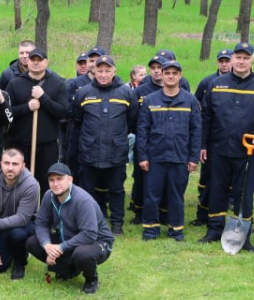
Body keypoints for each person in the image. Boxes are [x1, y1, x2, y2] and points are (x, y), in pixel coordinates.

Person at [199, 42, 254, 250]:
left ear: (252, 59)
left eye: (246, 57)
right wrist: (203, 145)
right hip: (219, 149)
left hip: (249, 152)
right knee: (216, 189)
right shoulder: (217, 83)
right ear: (232, 59)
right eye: (238, 57)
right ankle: (215, 229)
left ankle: (244, 234)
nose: (241, 61)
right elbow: (206, 117)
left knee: (243, 193)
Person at [68, 54, 136, 235]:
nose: (103, 74)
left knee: (116, 190)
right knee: (87, 191)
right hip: (89, 152)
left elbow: (132, 120)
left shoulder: (126, 93)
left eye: (107, 71)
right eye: (100, 71)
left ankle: (117, 224)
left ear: (115, 71)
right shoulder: (83, 93)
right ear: (94, 71)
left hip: (116, 152)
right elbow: (77, 119)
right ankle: (88, 223)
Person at [137, 59, 201, 242]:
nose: (171, 76)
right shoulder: (150, 100)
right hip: (155, 157)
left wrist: (193, 158)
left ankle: (176, 229)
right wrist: (142, 156)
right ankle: (150, 229)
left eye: (174, 73)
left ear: (180, 76)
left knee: (176, 195)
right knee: (152, 195)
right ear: (162, 75)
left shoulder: (190, 100)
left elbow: (196, 131)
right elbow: (142, 130)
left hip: (180, 157)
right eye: (167, 73)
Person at [27, 163, 114, 294]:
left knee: (82, 254)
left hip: (97, 241)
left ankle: (91, 278)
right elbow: (41, 224)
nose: (55, 184)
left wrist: (60, 248)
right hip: (68, 237)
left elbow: (89, 234)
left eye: (59, 179)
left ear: (70, 179)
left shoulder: (83, 200)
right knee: (32, 242)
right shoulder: (48, 196)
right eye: (52, 180)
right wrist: (47, 246)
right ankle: (67, 270)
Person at [6, 47, 68, 190]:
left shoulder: (58, 83)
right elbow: (7, 113)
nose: (35, 63)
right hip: (20, 143)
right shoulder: (15, 84)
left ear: (46, 62)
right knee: (19, 183)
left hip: (47, 145)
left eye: (39, 60)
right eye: (32, 60)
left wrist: (43, 98)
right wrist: (27, 107)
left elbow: (63, 112)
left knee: (48, 183)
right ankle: (21, 212)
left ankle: (45, 211)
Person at [0, 148, 40, 279]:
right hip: (3, 225)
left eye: (15, 164)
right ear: (1, 164)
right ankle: (11, 250)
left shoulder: (31, 185)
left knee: (17, 234)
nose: (10, 168)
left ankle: (20, 263)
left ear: (23, 166)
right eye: (7, 163)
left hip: (27, 224)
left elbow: (22, 218)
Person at [191, 48, 235, 226]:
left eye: (227, 61)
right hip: (211, 137)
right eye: (221, 61)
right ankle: (202, 214)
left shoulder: (239, 83)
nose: (224, 64)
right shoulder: (208, 82)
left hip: (232, 139)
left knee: (231, 179)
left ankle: (231, 212)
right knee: (207, 177)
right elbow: (197, 104)